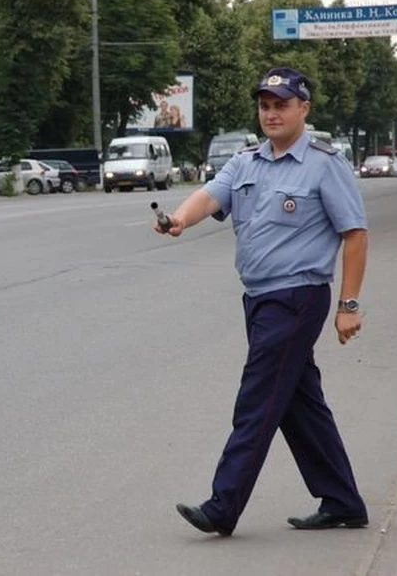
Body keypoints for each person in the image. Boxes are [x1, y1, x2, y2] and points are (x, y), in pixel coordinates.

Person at [157, 67, 369, 537]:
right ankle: (343, 500)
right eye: (265, 105)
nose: (271, 113)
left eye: (281, 104)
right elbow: (210, 197)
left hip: (296, 297)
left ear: (303, 109)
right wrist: (178, 220)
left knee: (257, 400)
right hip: (258, 299)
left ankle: (223, 505)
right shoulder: (246, 161)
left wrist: (349, 304)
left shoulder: (323, 163)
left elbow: (354, 234)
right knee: (297, 401)